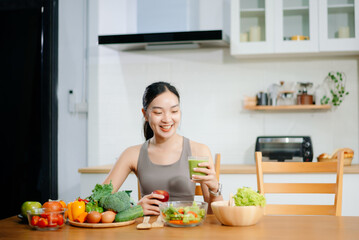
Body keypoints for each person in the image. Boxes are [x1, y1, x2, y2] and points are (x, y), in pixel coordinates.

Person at [103, 81, 222, 215]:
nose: (167, 119)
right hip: (150, 230)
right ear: (145, 114)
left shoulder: (199, 151)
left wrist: (215, 188)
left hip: (187, 230)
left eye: (174, 111)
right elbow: (97, 200)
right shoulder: (132, 154)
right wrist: (134, 208)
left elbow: (213, 215)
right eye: (158, 112)